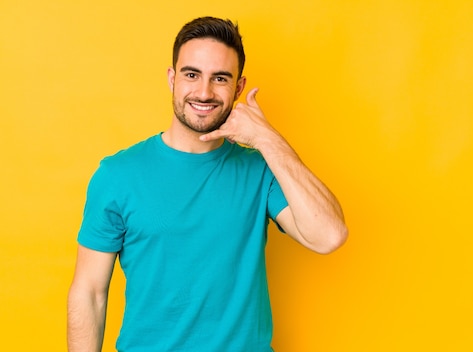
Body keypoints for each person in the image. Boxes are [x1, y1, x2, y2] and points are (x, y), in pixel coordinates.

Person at [67, 16, 348, 352]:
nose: (204, 92)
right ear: (172, 79)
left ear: (239, 88)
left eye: (220, 78)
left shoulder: (260, 169)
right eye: (191, 74)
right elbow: (89, 293)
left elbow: (329, 236)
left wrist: (268, 139)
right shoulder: (117, 175)